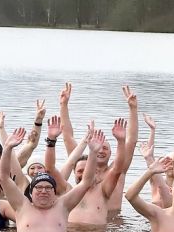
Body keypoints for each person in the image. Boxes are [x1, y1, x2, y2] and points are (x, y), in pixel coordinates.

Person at [0, 126, 102, 232]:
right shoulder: (22, 206)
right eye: (39, 187)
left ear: (54, 192)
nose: (43, 191)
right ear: (31, 192)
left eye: (48, 188)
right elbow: (3, 178)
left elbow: (86, 182)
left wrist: (93, 153)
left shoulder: (63, 206)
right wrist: (7, 148)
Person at [56, 83, 139, 213]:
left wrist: (133, 109)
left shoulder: (118, 170)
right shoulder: (81, 167)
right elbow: (67, 137)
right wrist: (63, 105)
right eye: (99, 147)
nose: (100, 150)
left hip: (113, 222)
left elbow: (131, 141)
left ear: (112, 153)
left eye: (105, 148)